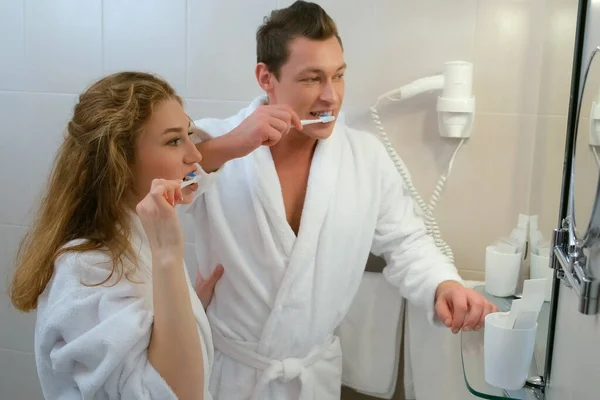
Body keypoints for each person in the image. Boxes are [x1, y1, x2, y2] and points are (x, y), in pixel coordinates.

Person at [186, 1, 499, 399]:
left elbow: (406, 243)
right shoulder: (211, 144)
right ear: (266, 77)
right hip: (231, 377)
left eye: (339, 76)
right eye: (312, 79)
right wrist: (230, 146)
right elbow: (150, 196)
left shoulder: (365, 158)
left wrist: (444, 284)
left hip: (311, 380)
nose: (331, 97)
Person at [10, 72, 217, 400]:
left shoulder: (131, 238)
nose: (196, 156)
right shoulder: (85, 272)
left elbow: (149, 337)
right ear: (120, 161)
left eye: (189, 135)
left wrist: (192, 306)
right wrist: (168, 256)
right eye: (174, 140)